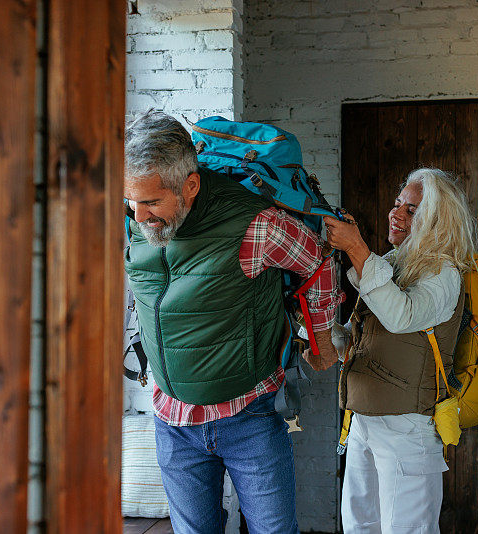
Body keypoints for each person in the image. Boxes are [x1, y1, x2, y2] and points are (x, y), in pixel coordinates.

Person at [123, 110, 340, 534]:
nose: (139, 214)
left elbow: (318, 262)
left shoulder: (253, 225)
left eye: (151, 202)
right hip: (173, 418)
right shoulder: (134, 221)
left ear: (190, 184)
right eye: (131, 199)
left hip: (249, 415)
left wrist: (321, 339)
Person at [323, 168, 478, 534]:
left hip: (407, 427)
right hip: (363, 419)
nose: (396, 213)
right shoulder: (393, 264)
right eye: (397, 205)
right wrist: (313, 323)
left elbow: (400, 315)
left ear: (436, 222)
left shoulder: (443, 273)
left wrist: (356, 248)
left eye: (411, 210)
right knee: (361, 527)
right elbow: (357, 341)